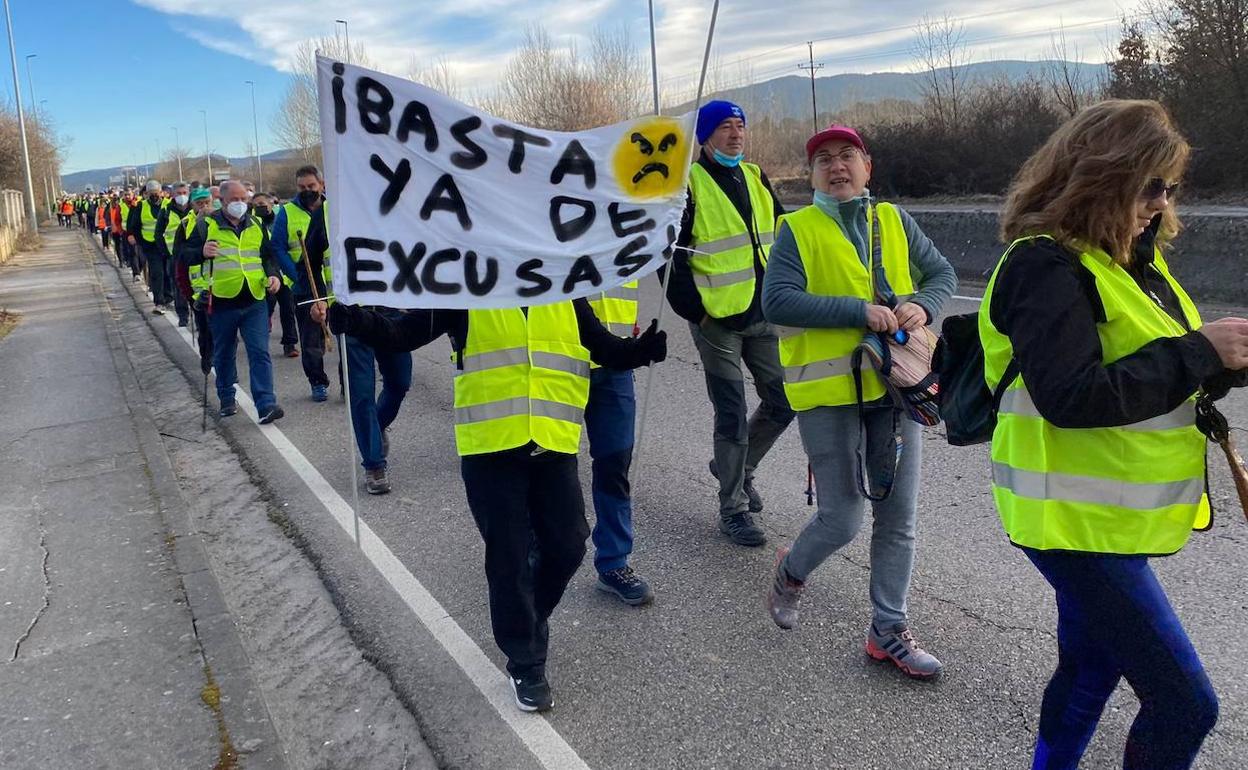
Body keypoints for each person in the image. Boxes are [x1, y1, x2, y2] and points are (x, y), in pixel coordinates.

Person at [980, 99, 1248, 769]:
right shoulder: (1043, 266)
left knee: (1091, 667)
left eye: (1170, 188)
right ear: (1103, 175)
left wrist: (1223, 361)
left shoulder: (1132, 264)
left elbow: (1157, 370)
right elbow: (1073, 395)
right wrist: (1199, 353)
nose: (1160, 203)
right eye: (1150, 185)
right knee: (1187, 704)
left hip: (1107, 520)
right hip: (1068, 522)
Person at [315, 295, 667, 713]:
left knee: (569, 544)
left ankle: (526, 621)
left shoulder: (564, 292)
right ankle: (527, 662)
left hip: (552, 442)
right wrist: (356, 321)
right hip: (490, 450)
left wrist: (640, 352)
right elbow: (404, 334)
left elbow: (601, 347)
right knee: (510, 557)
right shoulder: (469, 291)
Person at [761, 125, 957, 680]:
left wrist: (922, 303)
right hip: (829, 395)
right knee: (843, 518)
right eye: (824, 160)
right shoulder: (796, 229)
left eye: (847, 155)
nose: (837, 166)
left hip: (897, 389)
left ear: (867, 166)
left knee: (897, 517)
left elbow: (941, 274)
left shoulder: (893, 219)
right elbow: (776, 301)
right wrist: (855, 310)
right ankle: (791, 573)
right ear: (813, 175)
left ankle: (887, 631)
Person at [666, 99, 795, 547]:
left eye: (740, 126)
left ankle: (736, 469)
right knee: (731, 414)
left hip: (763, 314)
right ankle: (733, 508)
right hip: (717, 320)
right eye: (724, 127)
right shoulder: (687, 185)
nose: (735, 134)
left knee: (783, 400)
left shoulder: (756, 175)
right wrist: (696, 313)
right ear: (705, 136)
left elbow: (784, 234)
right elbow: (671, 260)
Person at [302, 199, 410, 495]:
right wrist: (317, 300)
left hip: (393, 310)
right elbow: (309, 258)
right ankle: (374, 464)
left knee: (400, 383)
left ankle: (376, 428)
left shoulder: (399, 196)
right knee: (361, 393)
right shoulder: (326, 210)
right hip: (351, 314)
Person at [183, 180, 285, 424]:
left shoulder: (257, 224)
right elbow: (182, 256)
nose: (240, 204)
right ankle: (227, 397)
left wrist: (273, 275)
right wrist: (200, 252)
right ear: (222, 201)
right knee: (225, 353)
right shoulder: (204, 225)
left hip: (254, 300)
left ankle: (266, 403)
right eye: (234, 200)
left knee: (260, 352)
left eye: (243, 199)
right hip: (221, 302)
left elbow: (268, 256)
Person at [273, 165, 332, 400]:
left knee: (347, 336)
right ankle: (318, 382)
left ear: (322, 185)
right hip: (304, 284)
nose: (307, 191)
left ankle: (349, 383)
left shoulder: (334, 208)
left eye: (311, 186)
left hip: (335, 285)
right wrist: (296, 275)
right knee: (310, 340)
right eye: (302, 187)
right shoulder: (287, 212)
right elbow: (277, 246)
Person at [174, 187, 215, 373]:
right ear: (192, 205)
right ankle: (207, 360)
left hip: (223, 288)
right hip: (198, 289)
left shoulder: (221, 220)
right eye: (200, 203)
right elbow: (180, 259)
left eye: (207, 202)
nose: (204, 206)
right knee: (205, 330)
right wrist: (186, 292)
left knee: (222, 332)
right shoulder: (185, 224)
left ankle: (226, 370)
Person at [254, 192, 298, 357]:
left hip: (281, 270)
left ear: (271, 203)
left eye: (263, 204)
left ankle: (290, 344)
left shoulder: (280, 220)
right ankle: (261, 337)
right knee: (267, 305)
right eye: (256, 205)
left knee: (288, 308)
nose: (261, 207)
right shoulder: (253, 223)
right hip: (264, 271)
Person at [128, 180, 170, 313]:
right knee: (157, 272)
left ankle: (169, 296)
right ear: (146, 194)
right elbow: (135, 226)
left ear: (161, 192)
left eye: (156, 193)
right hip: (150, 245)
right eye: (151, 193)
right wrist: (142, 242)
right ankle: (159, 301)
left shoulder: (169, 205)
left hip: (168, 244)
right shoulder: (141, 206)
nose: (154, 196)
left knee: (168, 272)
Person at [156, 182, 194, 327]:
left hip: (194, 255)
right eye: (178, 193)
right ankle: (183, 315)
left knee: (196, 286)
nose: (182, 196)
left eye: (184, 193)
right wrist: (165, 253)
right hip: (175, 256)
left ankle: (197, 314)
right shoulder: (165, 210)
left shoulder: (194, 209)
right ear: (172, 195)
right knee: (178, 287)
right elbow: (158, 234)